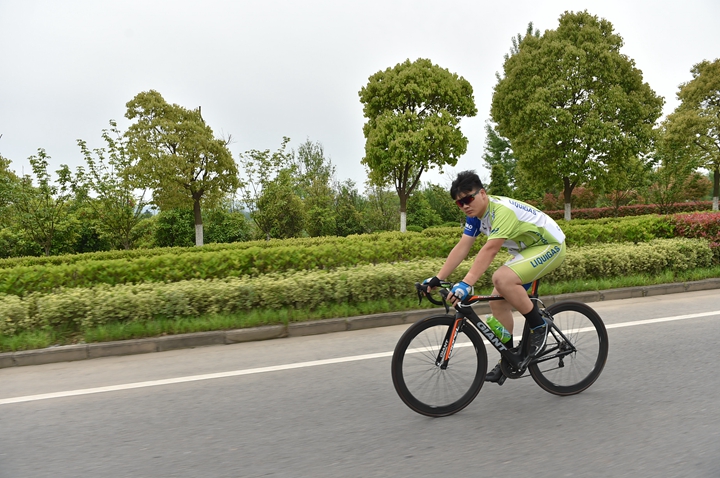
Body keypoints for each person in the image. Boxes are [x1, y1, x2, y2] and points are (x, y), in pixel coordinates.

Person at [423, 170, 566, 384]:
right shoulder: (475, 217)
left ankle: (539, 326)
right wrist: (438, 278)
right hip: (527, 251)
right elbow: (463, 247)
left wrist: (466, 283)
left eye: (468, 199)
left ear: (482, 193)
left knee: (502, 278)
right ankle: (509, 359)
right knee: (497, 303)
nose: (465, 206)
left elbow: (490, 250)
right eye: (459, 203)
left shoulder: (501, 211)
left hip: (549, 245)